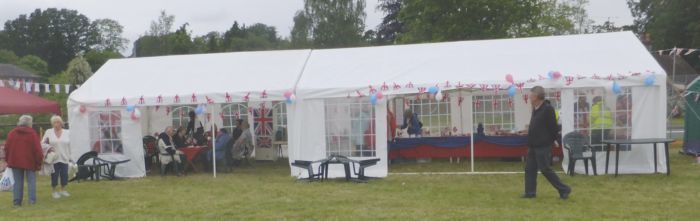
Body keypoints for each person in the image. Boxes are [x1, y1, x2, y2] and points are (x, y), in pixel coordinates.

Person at [523, 86, 571, 200]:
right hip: (533, 145)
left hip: (542, 146)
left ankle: (564, 189)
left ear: (537, 96)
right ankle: (530, 193)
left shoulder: (548, 109)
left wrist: (550, 141)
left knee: (545, 169)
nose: (529, 97)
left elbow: (553, 128)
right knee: (529, 169)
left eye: (531, 95)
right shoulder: (535, 108)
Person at [4, 115, 43, 207]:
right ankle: (32, 201)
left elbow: (6, 148)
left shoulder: (12, 133)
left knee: (17, 182)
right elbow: (37, 149)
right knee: (31, 181)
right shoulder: (32, 133)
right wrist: (39, 162)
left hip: (15, 161)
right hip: (30, 161)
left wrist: (8, 159)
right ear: (30, 123)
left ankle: (17, 202)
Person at [42, 115, 72, 199]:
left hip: (65, 157)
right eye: (54, 122)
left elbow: (70, 144)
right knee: (54, 175)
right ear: (52, 123)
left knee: (64, 175)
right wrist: (49, 148)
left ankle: (63, 190)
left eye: (58, 122)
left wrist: (70, 156)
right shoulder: (48, 132)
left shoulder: (67, 132)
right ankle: (54, 191)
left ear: (61, 123)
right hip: (53, 158)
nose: (56, 124)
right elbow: (43, 143)